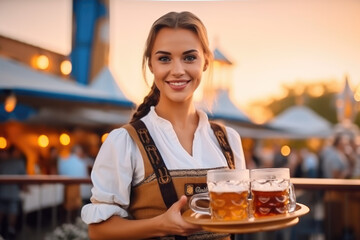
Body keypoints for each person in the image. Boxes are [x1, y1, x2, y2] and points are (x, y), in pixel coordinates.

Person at [81, 11, 246, 240]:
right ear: (151, 64)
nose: (177, 70)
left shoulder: (228, 139)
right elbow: (98, 232)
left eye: (189, 57)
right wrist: (162, 225)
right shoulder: (124, 141)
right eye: (164, 58)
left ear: (206, 61)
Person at [0, 146, 27, 240]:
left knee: (2, 210)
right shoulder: (19, 162)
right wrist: (24, 188)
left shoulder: (2, 162)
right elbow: (23, 178)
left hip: (2, 192)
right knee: (12, 211)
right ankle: (11, 230)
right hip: (12, 192)